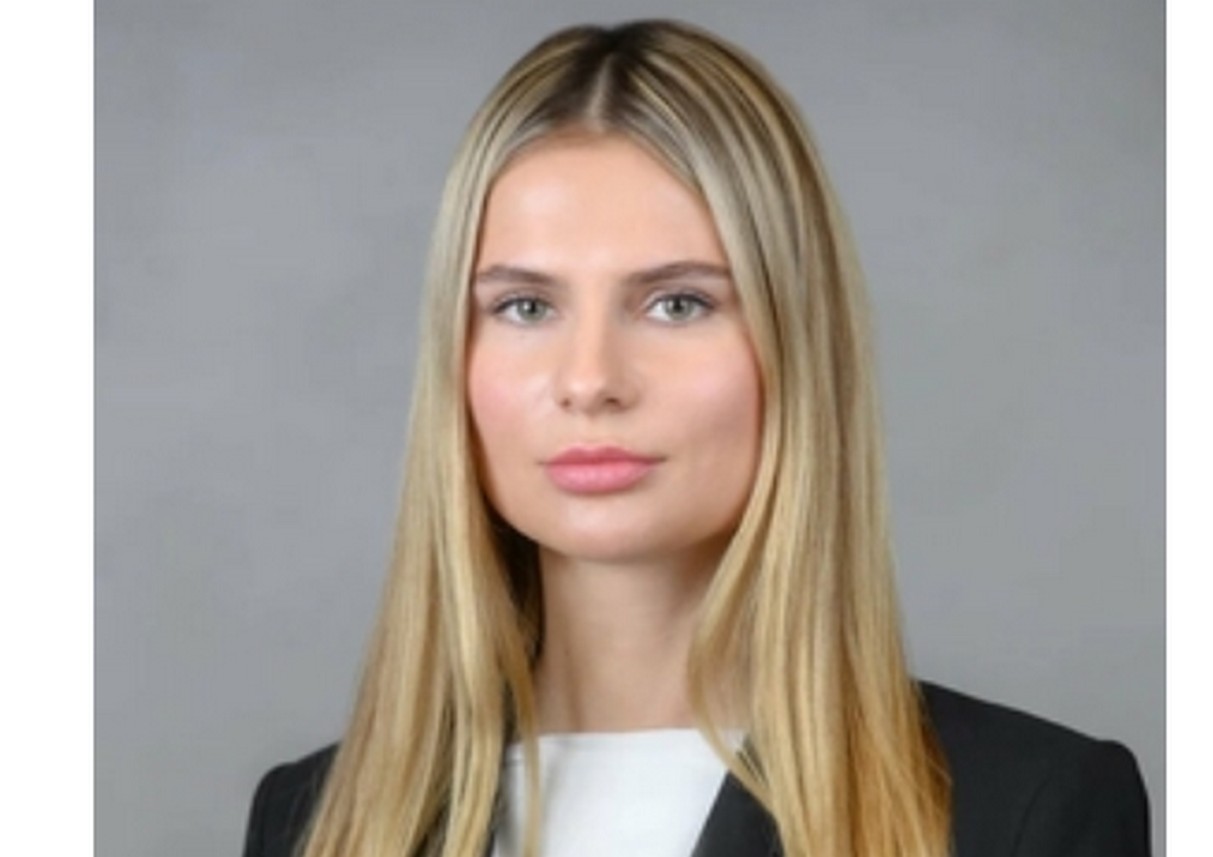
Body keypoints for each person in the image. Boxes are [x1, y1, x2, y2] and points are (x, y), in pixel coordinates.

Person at [241, 19, 1150, 857]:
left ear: (794, 343)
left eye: (677, 303)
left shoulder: (1026, 809)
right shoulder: (310, 819)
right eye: (525, 306)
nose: (590, 378)